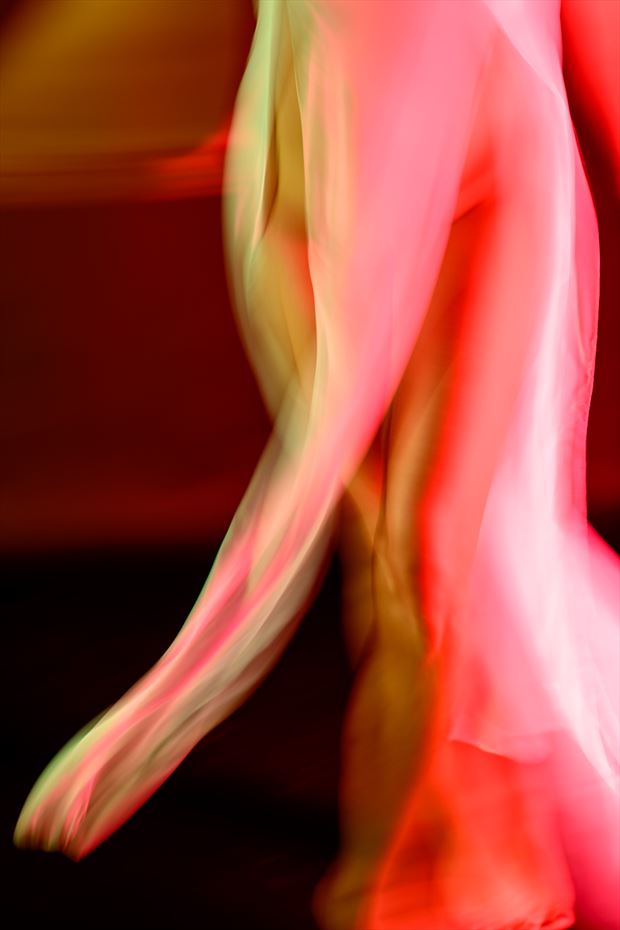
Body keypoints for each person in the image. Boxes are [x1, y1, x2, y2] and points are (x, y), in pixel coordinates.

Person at [14, 3, 620, 929]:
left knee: (429, 554)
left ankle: (400, 879)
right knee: (393, 561)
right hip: (316, 200)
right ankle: (469, 842)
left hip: (498, 169)